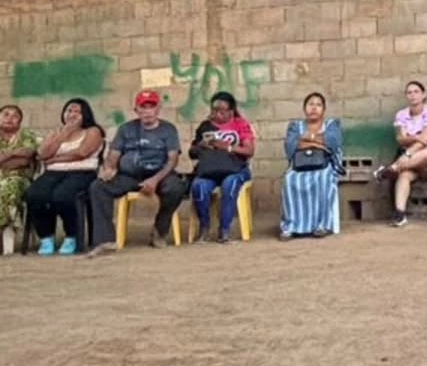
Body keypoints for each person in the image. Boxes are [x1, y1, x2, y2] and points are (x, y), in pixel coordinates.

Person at [88, 90, 187, 255]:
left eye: (151, 107)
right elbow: (113, 155)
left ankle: (159, 231)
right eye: (143, 107)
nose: (147, 111)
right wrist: (109, 169)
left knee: (175, 188)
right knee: (98, 187)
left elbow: (172, 160)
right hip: (129, 176)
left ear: (158, 109)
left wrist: (154, 180)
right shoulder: (126, 129)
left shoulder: (168, 130)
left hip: (160, 174)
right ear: (136, 110)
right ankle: (105, 240)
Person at [25, 98, 105, 255]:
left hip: (82, 172)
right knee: (34, 194)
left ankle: (72, 236)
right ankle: (46, 237)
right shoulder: (57, 132)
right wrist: (64, 134)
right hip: (53, 172)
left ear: (85, 115)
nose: (72, 115)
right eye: (69, 111)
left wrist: (55, 158)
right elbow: (42, 154)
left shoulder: (93, 131)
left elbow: (82, 153)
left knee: (62, 195)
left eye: (77, 112)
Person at [188, 91, 256, 244]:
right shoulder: (205, 126)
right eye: (214, 110)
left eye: (221, 111)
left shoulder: (240, 124)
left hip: (236, 169)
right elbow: (192, 154)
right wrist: (201, 146)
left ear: (231, 111)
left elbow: (249, 151)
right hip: (210, 170)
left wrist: (228, 147)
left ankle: (224, 230)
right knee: (199, 186)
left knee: (230, 184)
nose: (217, 114)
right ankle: (204, 228)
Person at [378, 81, 427, 228]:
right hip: (412, 165)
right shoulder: (401, 115)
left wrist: (407, 153)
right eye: (409, 92)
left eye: (416, 92)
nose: (413, 95)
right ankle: (400, 214)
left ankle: (392, 168)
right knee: (404, 176)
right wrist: (415, 137)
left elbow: (426, 140)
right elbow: (401, 139)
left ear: (423, 94)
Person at [280, 92, 343, 240]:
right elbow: (291, 145)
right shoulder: (295, 126)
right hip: (299, 166)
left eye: (318, 105)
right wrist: (319, 142)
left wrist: (307, 139)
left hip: (325, 165)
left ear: (323, 110)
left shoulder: (332, 124)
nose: (314, 108)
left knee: (323, 178)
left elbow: (332, 143)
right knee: (289, 180)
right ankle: (291, 227)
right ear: (304, 108)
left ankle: (322, 225)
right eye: (310, 104)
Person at [0, 103, 37, 251]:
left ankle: (2, 234)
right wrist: (14, 153)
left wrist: (4, 156)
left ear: (20, 121)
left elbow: (25, 159)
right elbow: (18, 157)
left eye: (15, 116)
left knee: (7, 187)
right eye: (6, 114)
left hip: (19, 178)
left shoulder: (26, 135)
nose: (10, 118)